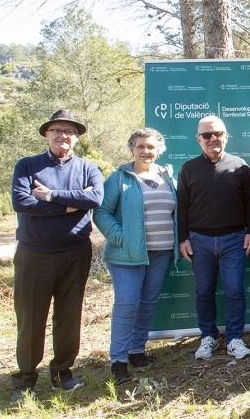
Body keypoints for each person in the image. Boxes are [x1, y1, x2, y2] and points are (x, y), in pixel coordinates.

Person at [10, 110, 104, 402]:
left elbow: (94, 198)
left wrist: (50, 195)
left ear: (76, 137)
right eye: (57, 130)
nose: (63, 135)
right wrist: (70, 203)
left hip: (75, 252)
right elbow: (22, 202)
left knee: (69, 315)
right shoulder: (27, 165)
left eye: (69, 131)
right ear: (47, 134)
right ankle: (25, 379)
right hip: (34, 255)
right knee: (31, 318)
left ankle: (63, 372)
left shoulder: (89, 168)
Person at [94, 128, 179, 385]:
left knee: (148, 302)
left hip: (161, 252)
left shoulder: (166, 176)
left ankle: (137, 350)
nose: (146, 151)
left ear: (158, 150)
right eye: (141, 146)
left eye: (151, 147)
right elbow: (101, 213)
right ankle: (118, 360)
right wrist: (122, 238)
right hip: (126, 256)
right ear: (132, 148)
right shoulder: (119, 178)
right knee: (127, 303)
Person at [177, 116, 250, 360]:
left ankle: (235, 338)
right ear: (198, 139)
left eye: (217, 134)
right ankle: (208, 337)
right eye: (207, 135)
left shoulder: (240, 166)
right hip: (199, 240)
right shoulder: (188, 169)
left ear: (226, 136)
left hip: (234, 239)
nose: (213, 138)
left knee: (234, 290)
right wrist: (183, 238)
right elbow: (182, 206)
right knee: (204, 292)